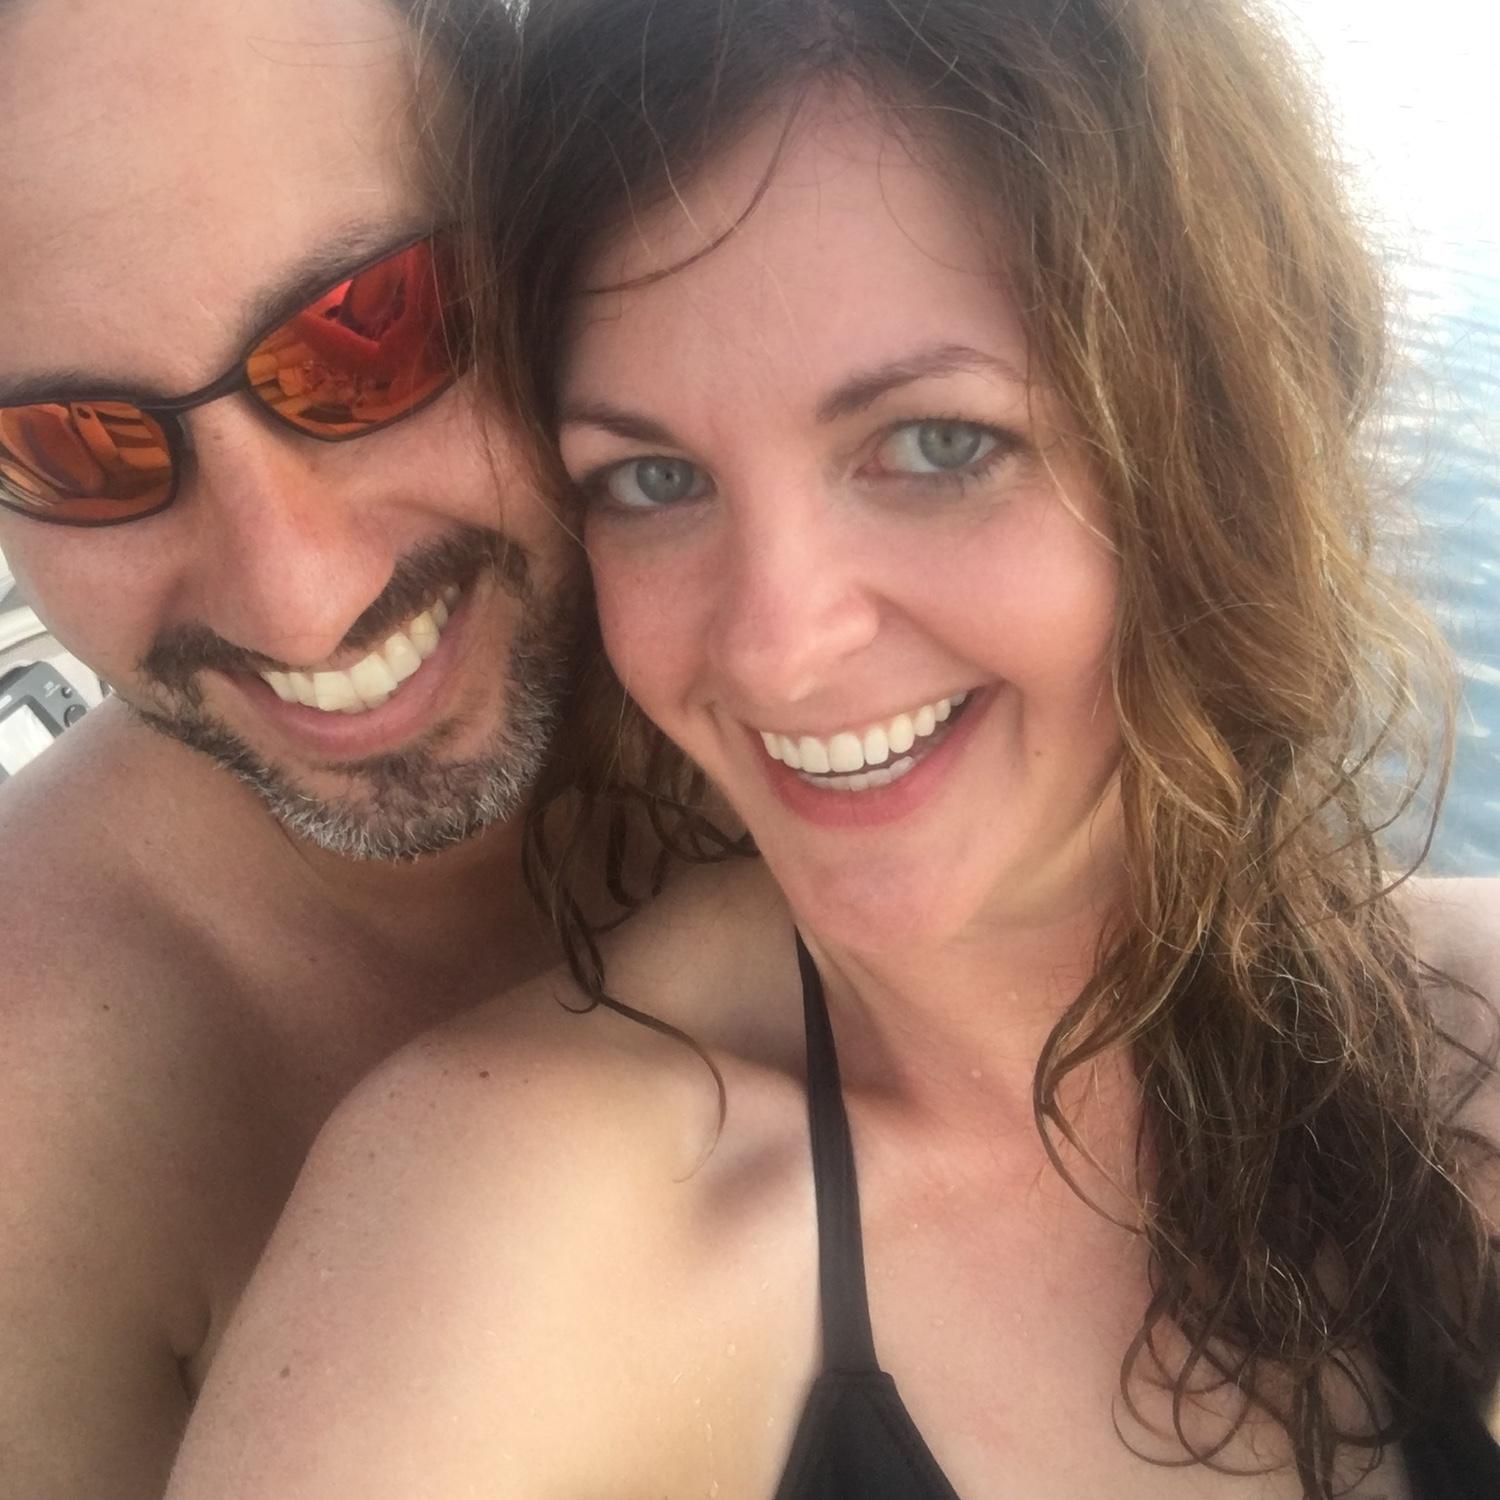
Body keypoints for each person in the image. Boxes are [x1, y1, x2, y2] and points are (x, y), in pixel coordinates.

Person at [168, 0, 1500, 1496]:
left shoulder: (1463, 1049)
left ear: (1219, 456)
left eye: (937, 444)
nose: (774, 649)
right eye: (652, 478)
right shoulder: (510, 1229)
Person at [0, 1, 591, 1495]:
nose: (301, 598)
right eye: (75, 447)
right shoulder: (32, 1134)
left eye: (374, 331)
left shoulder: (867, 670)